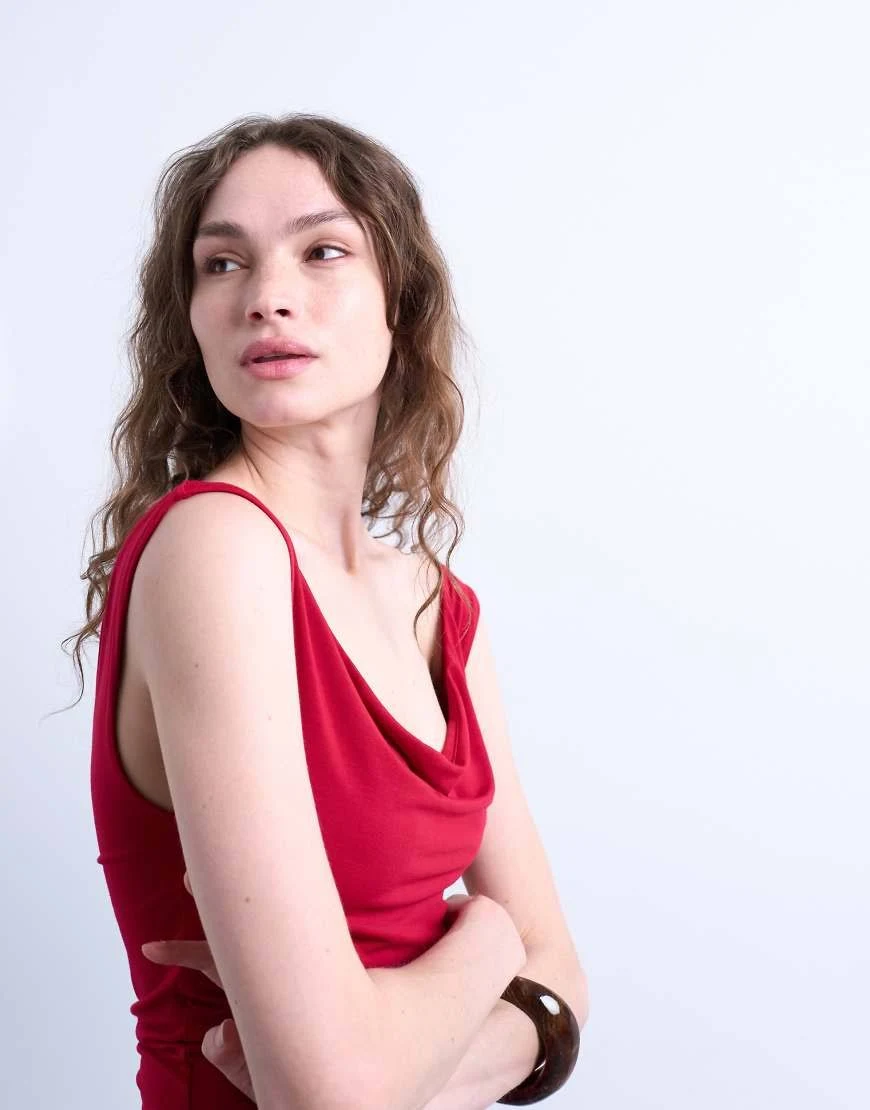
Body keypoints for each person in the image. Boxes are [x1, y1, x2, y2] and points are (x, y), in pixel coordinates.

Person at [64, 112, 588, 1107]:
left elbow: (565, 980)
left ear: (402, 304)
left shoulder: (439, 606)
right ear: (192, 319)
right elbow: (334, 1091)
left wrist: (395, 1074)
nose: (266, 296)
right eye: (223, 263)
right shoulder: (215, 548)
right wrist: (489, 938)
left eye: (323, 251)